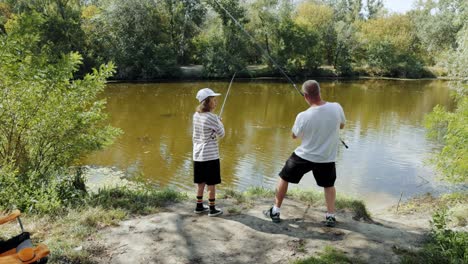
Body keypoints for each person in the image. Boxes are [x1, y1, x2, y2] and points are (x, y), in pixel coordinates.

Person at [264, 80, 346, 227]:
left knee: (284, 177)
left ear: (305, 96)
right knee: (328, 185)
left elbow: (294, 136)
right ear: (320, 91)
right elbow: (342, 125)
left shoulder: (303, 115)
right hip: (326, 157)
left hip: (304, 156)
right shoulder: (336, 107)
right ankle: (330, 216)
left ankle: (275, 211)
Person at [192, 88, 225, 217]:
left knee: (200, 182)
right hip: (210, 156)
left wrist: (216, 121)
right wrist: (220, 123)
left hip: (198, 155)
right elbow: (222, 134)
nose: (216, 101)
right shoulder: (212, 117)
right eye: (213, 99)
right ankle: (212, 209)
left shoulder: (196, 115)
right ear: (207, 102)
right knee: (211, 183)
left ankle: (199, 206)